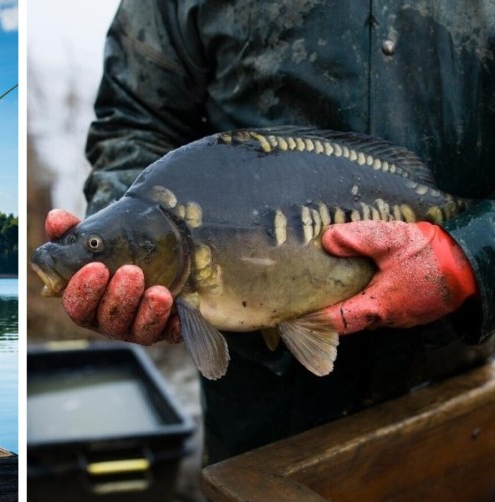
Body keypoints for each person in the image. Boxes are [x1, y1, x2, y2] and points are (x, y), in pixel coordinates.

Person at [45, 1, 495, 463]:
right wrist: (115, 236)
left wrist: (471, 254)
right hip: (262, 405)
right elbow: (136, 123)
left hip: (455, 378)